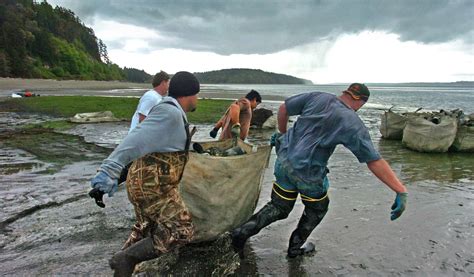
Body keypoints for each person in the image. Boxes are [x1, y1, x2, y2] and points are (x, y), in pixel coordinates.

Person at [231, 83, 408, 258]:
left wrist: (283, 134)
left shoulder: (318, 97)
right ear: (361, 102)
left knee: (279, 206)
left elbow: (284, 108)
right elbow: (374, 160)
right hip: (308, 175)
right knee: (317, 209)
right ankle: (294, 248)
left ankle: (242, 232)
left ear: (345, 93)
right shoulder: (352, 122)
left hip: (283, 161)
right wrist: (400, 190)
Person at [89, 71, 200, 276]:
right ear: (189, 94)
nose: (198, 99)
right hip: (154, 187)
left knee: (147, 230)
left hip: (145, 183)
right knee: (181, 231)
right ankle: (126, 258)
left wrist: (193, 147)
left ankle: (122, 263)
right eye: (197, 95)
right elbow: (135, 140)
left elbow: (157, 148)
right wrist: (109, 170)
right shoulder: (170, 113)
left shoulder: (171, 111)